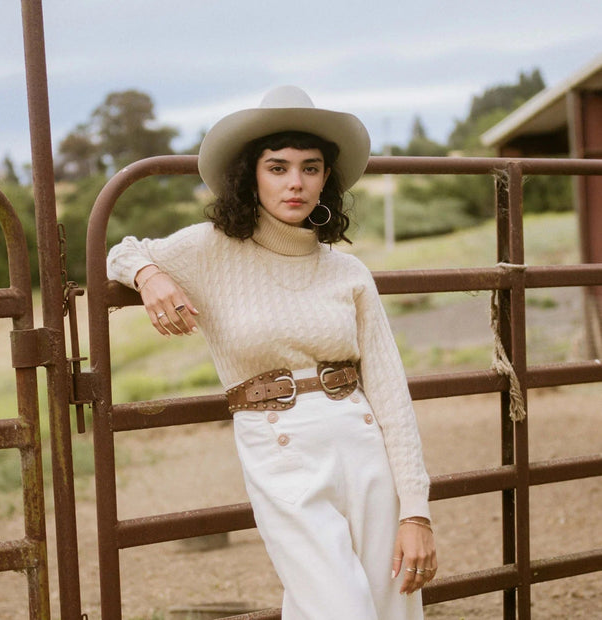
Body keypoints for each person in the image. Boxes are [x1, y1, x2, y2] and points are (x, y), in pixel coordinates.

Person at [107, 85, 437, 619]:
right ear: (251, 175)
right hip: (277, 444)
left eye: (310, 168)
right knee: (340, 609)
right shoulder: (211, 248)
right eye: (278, 168)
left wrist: (416, 512)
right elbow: (120, 252)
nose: (295, 183)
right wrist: (149, 276)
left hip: (361, 441)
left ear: (326, 178)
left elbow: (391, 391)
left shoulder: (347, 271)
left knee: (390, 609)